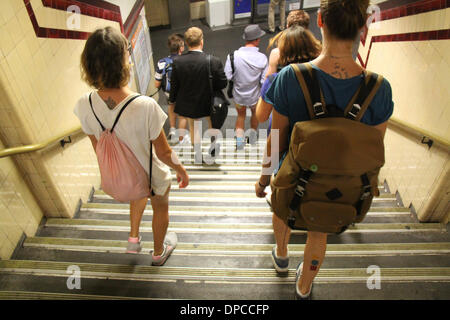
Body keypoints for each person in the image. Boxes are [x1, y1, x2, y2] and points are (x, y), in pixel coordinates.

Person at [255, 0, 394, 299]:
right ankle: (304, 285)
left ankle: (281, 256)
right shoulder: (379, 89)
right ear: (362, 27)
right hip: (338, 184)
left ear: (321, 23)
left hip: (291, 173)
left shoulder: (291, 77)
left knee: (281, 212)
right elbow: (374, 150)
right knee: (319, 232)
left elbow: (276, 138)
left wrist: (264, 180)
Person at [74, 27, 189, 266]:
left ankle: (133, 239)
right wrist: (181, 170)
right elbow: (164, 153)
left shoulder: (83, 105)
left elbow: (98, 148)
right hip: (150, 176)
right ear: (123, 61)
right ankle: (159, 253)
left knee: (139, 189)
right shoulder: (145, 106)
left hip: (119, 180)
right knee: (159, 206)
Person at [169, 27, 228, 163]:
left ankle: (197, 154)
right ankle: (213, 150)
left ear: (187, 44)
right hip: (209, 102)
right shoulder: (213, 61)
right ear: (202, 42)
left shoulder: (177, 62)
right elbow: (223, 83)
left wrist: (172, 100)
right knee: (212, 125)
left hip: (189, 103)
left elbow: (175, 85)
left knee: (194, 127)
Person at [256, 25, 322, 125]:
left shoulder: (274, 79)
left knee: (274, 139)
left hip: (277, 131)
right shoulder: (321, 74)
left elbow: (261, 116)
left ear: (283, 51)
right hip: (309, 133)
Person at [224, 24, 268, 149]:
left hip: (239, 96)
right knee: (255, 114)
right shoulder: (262, 58)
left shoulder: (233, 56)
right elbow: (264, 80)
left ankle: (239, 142)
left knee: (241, 116)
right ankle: (252, 136)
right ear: (257, 39)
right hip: (255, 97)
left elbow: (227, 76)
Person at [154, 33, 188, 143]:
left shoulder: (161, 62)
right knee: (182, 115)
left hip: (169, 93)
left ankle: (172, 130)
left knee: (171, 106)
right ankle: (181, 139)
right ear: (181, 48)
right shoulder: (186, 60)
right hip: (183, 93)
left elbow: (156, 84)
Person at [266, 10, 311, 77]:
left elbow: (269, 81)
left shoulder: (277, 54)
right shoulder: (316, 51)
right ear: (307, 28)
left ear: (287, 27)